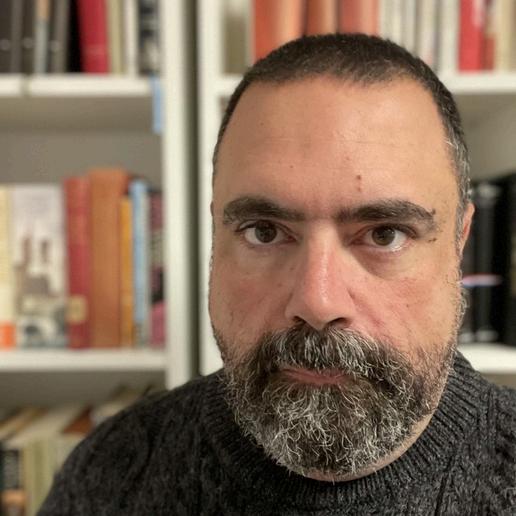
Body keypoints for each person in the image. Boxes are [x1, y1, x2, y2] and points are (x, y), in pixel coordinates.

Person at [40, 33, 516, 515]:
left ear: (459, 243)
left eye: (384, 234)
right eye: (264, 232)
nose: (317, 303)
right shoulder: (110, 475)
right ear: (215, 235)